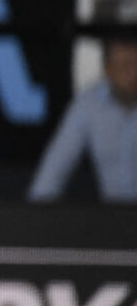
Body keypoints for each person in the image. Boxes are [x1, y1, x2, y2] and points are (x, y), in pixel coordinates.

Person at [28, 36, 137, 203]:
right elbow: (52, 173)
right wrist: (33, 214)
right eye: (125, 66)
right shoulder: (88, 103)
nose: (133, 74)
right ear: (107, 70)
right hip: (114, 215)